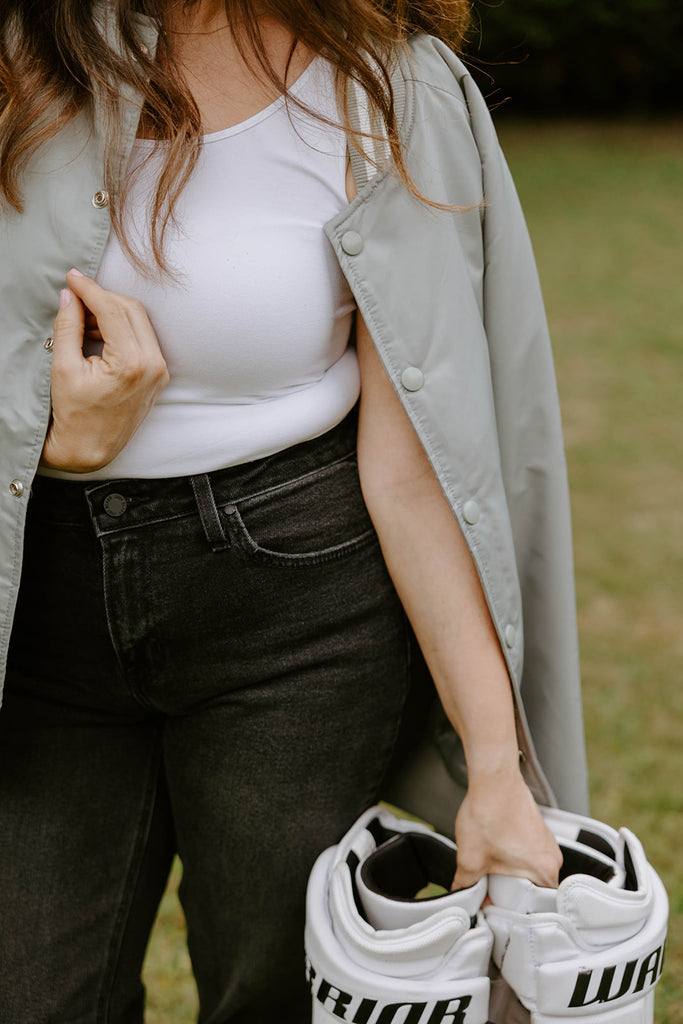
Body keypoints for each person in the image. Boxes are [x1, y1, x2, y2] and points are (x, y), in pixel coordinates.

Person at [0, 1, 589, 1021]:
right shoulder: (18, 60)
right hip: (36, 617)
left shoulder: (388, 88)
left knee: (274, 990)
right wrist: (64, 447)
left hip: (297, 608)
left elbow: (418, 463)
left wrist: (496, 766)